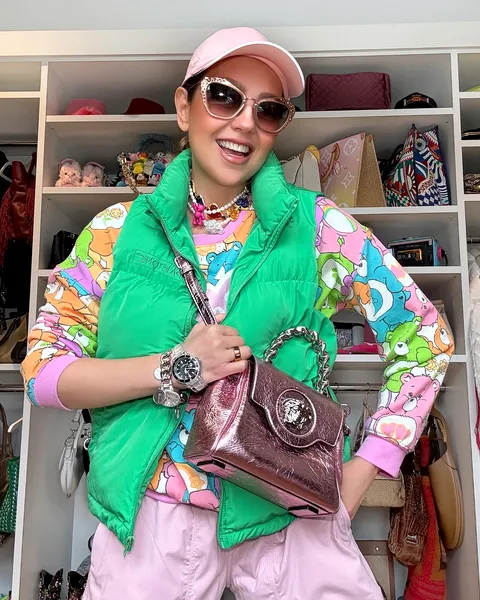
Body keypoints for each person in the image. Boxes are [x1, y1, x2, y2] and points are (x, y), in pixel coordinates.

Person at [22, 27, 453, 600]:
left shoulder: (319, 227)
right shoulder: (114, 234)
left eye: (268, 110)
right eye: (224, 96)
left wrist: (367, 466)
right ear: (184, 107)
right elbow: (43, 373)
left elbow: (423, 334)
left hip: (290, 513)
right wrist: (175, 367)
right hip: (153, 518)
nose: (245, 122)